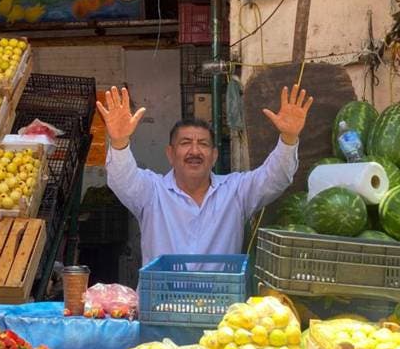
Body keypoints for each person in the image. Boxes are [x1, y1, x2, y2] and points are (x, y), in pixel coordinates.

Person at [98, 84, 313, 265]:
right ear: (170, 154)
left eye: (202, 144)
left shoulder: (236, 191)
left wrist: (288, 138)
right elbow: (122, 179)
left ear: (214, 156)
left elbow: (275, 178)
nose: (194, 151)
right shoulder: (152, 192)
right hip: (160, 308)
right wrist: (118, 142)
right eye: (185, 143)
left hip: (221, 311)